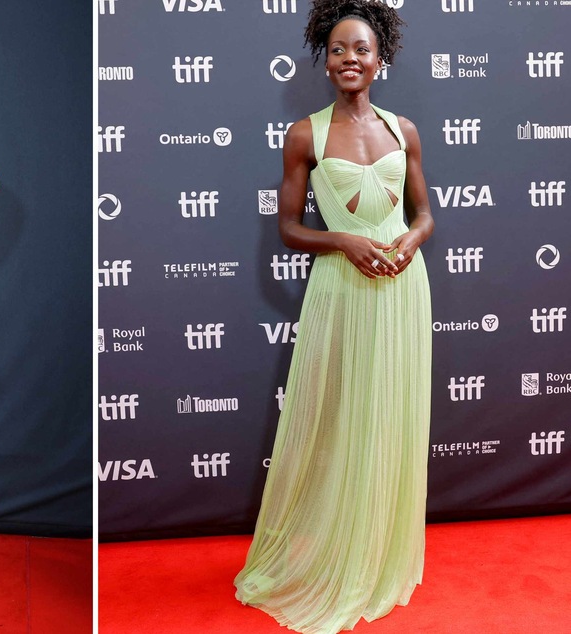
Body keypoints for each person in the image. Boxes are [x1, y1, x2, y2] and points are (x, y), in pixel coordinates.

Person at [234, 1, 433, 632]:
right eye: (339, 49)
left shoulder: (405, 130)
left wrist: (408, 240)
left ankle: (378, 556)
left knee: (392, 416)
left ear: (382, 60)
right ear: (325, 62)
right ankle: (335, 555)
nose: (351, 58)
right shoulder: (305, 134)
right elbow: (290, 227)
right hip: (340, 289)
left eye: (363, 49)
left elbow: (425, 213)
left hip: (403, 288)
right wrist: (343, 239)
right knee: (343, 416)